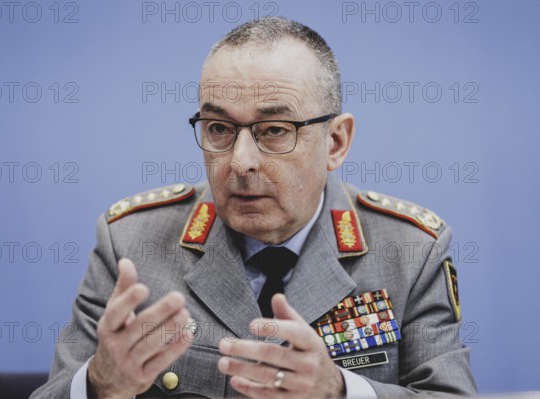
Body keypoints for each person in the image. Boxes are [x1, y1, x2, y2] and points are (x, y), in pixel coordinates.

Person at [31, 17, 476, 398]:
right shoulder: (132, 241)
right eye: (219, 128)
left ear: (336, 142)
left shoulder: (410, 251)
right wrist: (98, 385)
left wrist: (340, 392)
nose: (240, 161)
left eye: (275, 130)